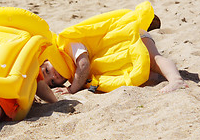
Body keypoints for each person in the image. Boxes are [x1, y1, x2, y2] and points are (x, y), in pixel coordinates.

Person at [44, 15, 188, 94]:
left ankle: (176, 80)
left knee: (154, 60)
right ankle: (166, 76)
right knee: (149, 73)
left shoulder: (67, 45)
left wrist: (72, 89)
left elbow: (84, 64)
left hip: (130, 37)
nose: (53, 76)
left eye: (46, 71)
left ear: (48, 58)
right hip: (125, 49)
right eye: (52, 82)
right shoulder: (71, 70)